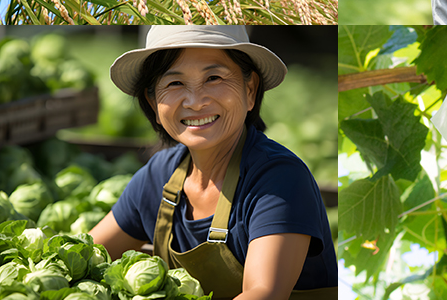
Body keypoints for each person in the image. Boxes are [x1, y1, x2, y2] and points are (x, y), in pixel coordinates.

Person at [90, 25, 337, 300]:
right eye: (175, 83)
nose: (195, 102)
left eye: (214, 78)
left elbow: (264, 293)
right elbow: (90, 254)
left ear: (250, 90)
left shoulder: (279, 180)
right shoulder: (157, 176)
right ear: (153, 102)